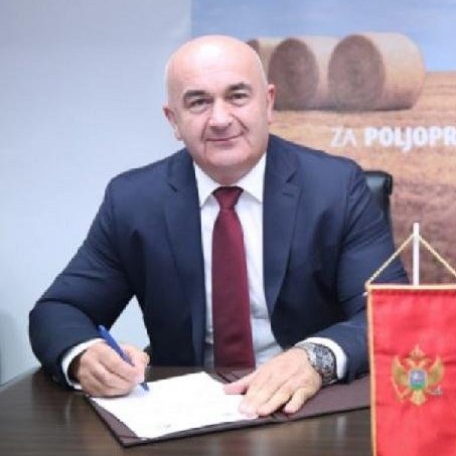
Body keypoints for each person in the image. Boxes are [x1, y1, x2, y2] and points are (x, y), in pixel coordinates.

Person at [29, 35, 407, 416]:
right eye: (198, 102)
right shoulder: (133, 201)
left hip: (307, 406)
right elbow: (57, 310)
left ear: (268, 103)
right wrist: (86, 355)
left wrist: (315, 358)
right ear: (173, 120)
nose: (221, 119)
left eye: (237, 96)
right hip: (183, 416)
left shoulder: (336, 187)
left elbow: (389, 314)